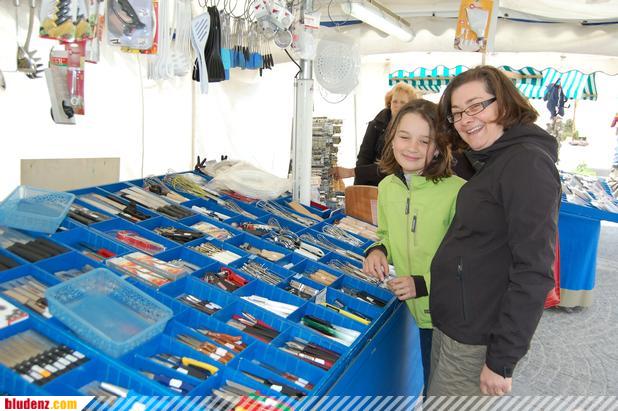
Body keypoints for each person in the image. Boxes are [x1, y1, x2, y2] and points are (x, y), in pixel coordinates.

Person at [428, 65, 561, 396]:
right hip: (456, 324)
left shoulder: (526, 164)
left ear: (504, 102)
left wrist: (502, 359)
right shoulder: (493, 158)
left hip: (477, 336)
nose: (466, 119)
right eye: (457, 113)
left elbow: (534, 270)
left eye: (476, 106)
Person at [362, 99, 466, 392]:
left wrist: (422, 284)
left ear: (439, 147)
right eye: (405, 137)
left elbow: (469, 262)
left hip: (448, 316)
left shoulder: (458, 192)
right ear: (392, 138)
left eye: (424, 141)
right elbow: (386, 233)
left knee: (443, 395)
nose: (412, 147)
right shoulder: (387, 187)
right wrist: (378, 250)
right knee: (428, 385)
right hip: (414, 312)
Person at [333, 82, 418, 186]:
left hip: (396, 185)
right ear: (390, 103)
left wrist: (351, 172)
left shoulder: (412, 129)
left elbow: (391, 166)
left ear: (410, 106)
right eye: (394, 101)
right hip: (371, 183)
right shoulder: (377, 124)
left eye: (402, 102)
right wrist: (359, 187)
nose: (397, 106)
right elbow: (364, 157)